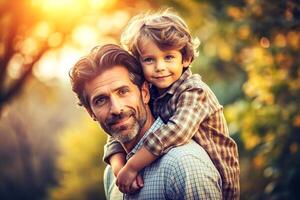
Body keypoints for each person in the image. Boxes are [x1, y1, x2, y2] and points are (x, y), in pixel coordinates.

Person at [104, 10, 240, 199]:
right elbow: (117, 134)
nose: (160, 67)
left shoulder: (194, 91)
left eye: (168, 57)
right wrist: (120, 169)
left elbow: (176, 132)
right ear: (139, 63)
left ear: (185, 59)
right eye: (149, 59)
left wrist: (133, 165)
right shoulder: (149, 91)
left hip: (211, 181)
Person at [69, 44, 222, 199]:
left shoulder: (184, 165)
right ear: (91, 112)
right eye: (101, 100)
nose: (116, 108)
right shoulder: (112, 173)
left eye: (123, 91)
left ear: (145, 93)